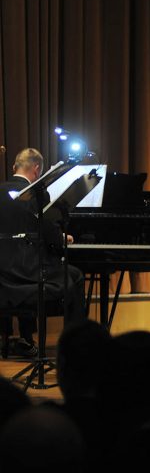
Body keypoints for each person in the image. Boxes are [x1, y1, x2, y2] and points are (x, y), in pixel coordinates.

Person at [0, 148, 85, 355]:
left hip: (3, 275)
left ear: (14, 167)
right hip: (29, 273)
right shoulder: (38, 195)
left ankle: (24, 338)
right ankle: (75, 344)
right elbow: (48, 233)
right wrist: (62, 238)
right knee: (75, 275)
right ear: (37, 170)